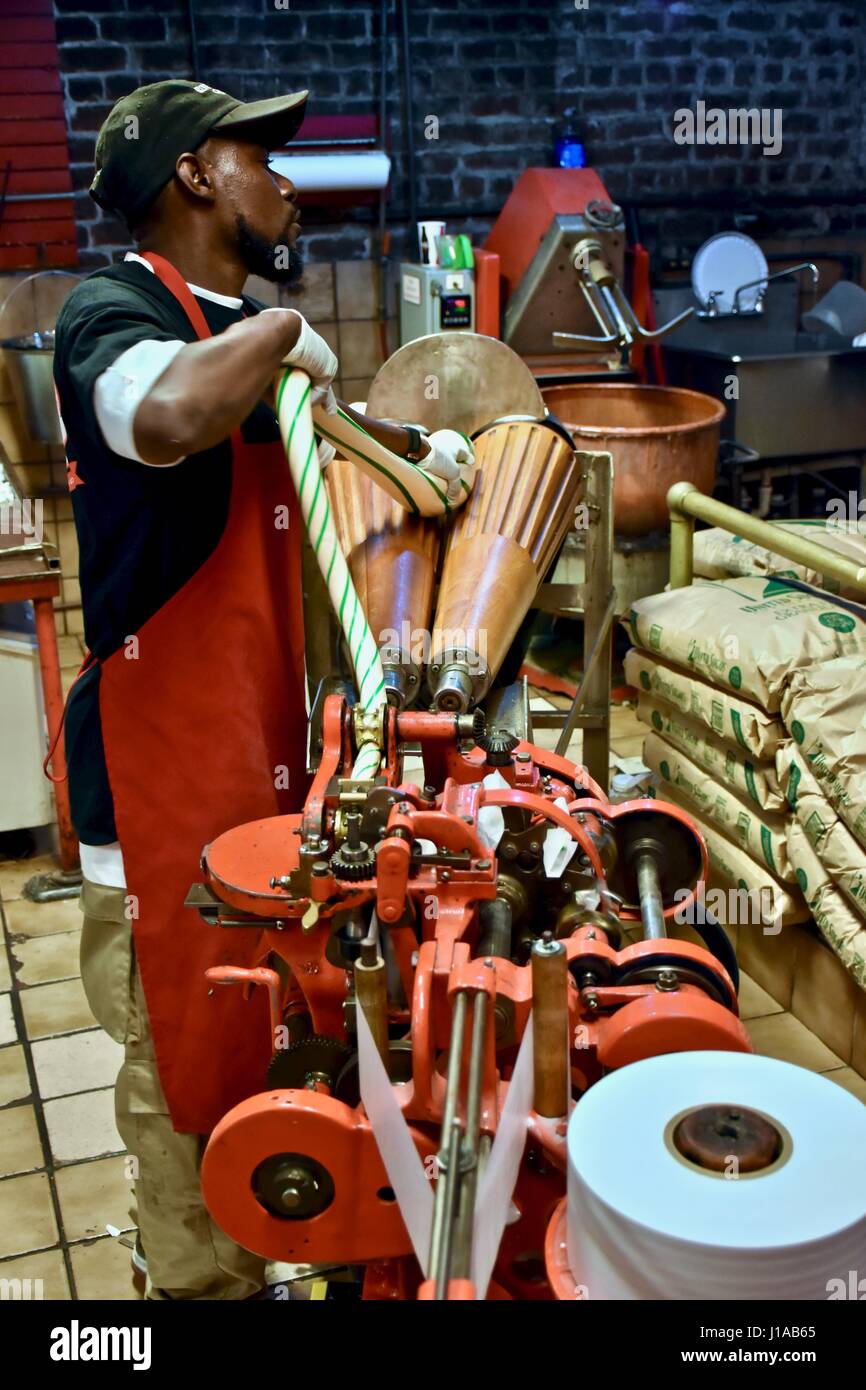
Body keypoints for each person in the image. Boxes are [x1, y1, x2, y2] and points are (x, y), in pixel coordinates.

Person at [53, 79, 470, 1300]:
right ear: (191, 176)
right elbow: (169, 413)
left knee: (261, 1042)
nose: (288, 183)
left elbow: (341, 450)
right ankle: (189, 1288)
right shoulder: (112, 310)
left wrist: (425, 453)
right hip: (155, 775)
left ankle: (263, 1254)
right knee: (178, 1073)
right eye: (261, 156)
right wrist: (284, 336)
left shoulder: (238, 341)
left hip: (260, 766)